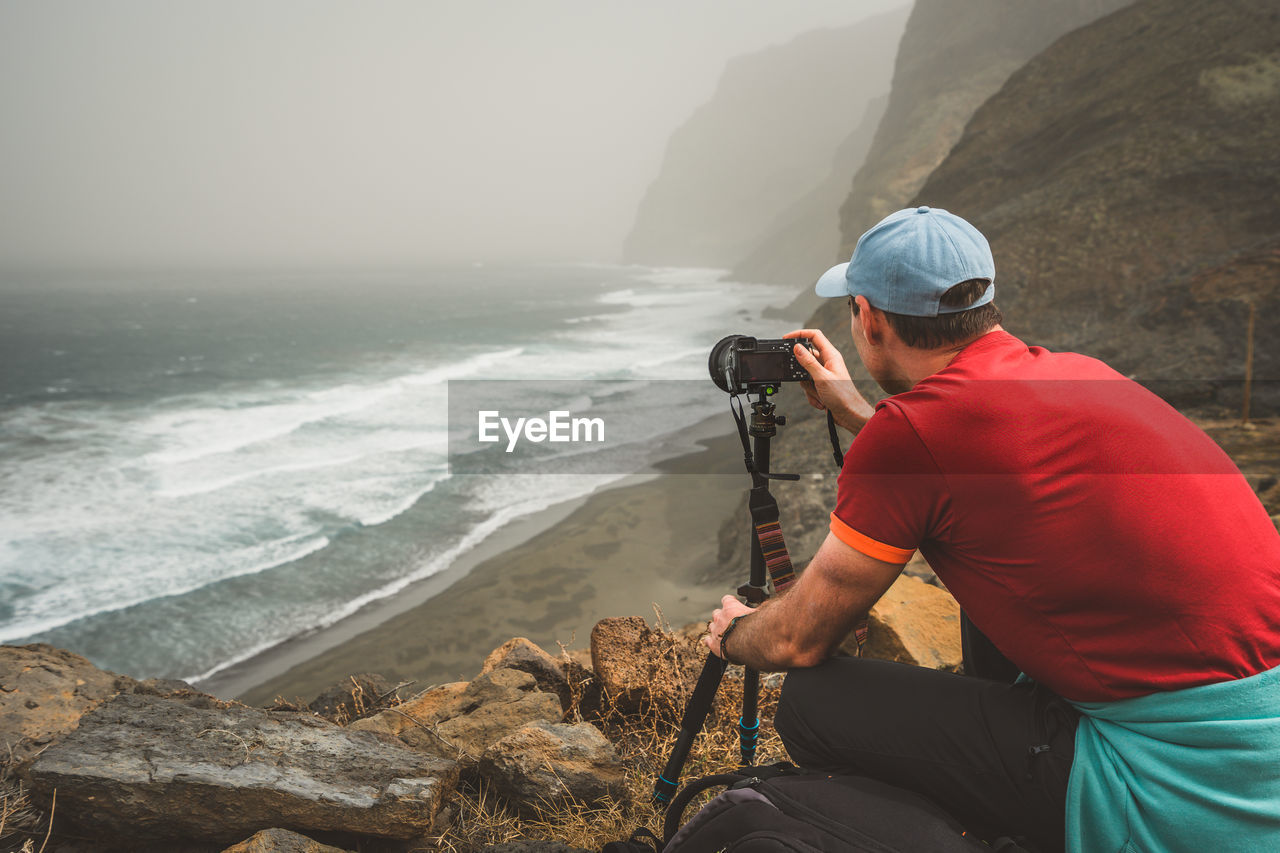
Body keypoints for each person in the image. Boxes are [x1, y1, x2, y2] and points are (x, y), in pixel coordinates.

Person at [703, 206, 1280, 852]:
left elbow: (799, 640)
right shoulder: (1080, 374)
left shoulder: (914, 438)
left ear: (867, 317)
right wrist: (863, 413)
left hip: (1172, 786)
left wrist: (735, 635)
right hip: (1260, 761)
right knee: (984, 565)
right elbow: (966, 466)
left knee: (813, 700)